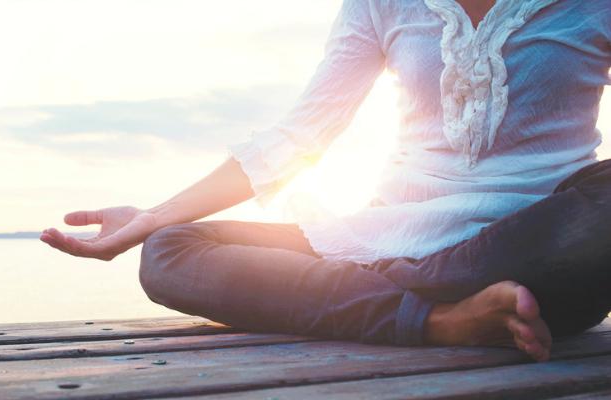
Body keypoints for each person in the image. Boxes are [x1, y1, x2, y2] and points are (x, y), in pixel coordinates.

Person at [40, 0, 611, 363]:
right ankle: (440, 320)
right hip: (395, 238)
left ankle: (401, 294)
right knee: (171, 250)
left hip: (537, 247)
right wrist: (154, 217)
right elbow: (301, 134)